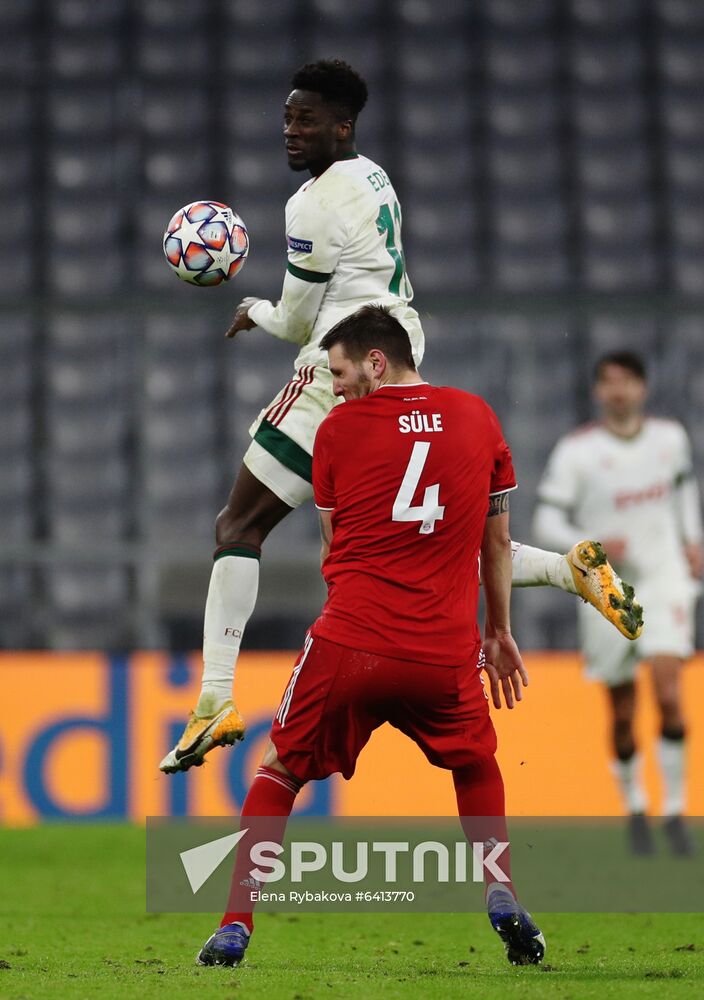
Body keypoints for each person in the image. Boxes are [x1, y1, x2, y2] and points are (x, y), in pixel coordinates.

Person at [159, 59, 640, 775]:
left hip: (340, 371)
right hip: (400, 356)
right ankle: (569, 571)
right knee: (417, 544)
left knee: (238, 526)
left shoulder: (310, 205)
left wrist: (251, 310)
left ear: (341, 126)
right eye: (287, 118)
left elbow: (297, 322)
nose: (290, 131)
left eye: (306, 120)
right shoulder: (375, 176)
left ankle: (214, 700)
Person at [196, 304, 545, 968]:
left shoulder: (336, 429)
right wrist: (497, 631)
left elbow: (335, 541)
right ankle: (500, 892)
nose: (334, 385)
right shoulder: (477, 416)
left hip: (350, 644)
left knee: (279, 770)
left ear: (375, 361)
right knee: (473, 762)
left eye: (339, 371)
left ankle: (234, 924)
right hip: (443, 652)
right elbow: (495, 543)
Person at [532, 350, 704, 855]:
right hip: (607, 587)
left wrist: (692, 540)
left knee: (669, 693)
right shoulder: (576, 452)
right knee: (623, 713)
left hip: (665, 575)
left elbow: (684, 493)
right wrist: (597, 541)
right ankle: (635, 807)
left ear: (642, 388)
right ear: (598, 392)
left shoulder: (671, 439)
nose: (618, 391)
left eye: (627, 381)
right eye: (609, 382)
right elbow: (547, 522)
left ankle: (674, 811)